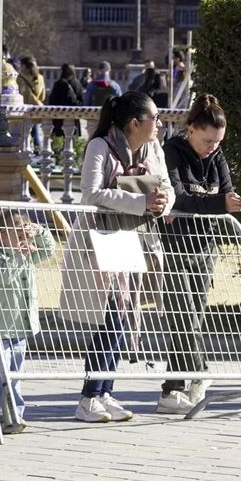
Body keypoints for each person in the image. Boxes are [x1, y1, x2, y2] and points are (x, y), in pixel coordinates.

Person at [73, 91, 174, 422]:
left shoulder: (153, 148)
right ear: (134, 123)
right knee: (110, 315)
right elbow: (91, 192)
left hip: (137, 235)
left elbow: (167, 187)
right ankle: (90, 394)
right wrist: (140, 201)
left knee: (125, 314)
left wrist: (162, 203)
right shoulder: (100, 146)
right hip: (103, 234)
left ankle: (106, 391)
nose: (158, 124)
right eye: (154, 119)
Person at [157, 94, 241, 415]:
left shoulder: (217, 156)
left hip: (205, 244)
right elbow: (179, 196)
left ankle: (178, 386)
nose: (213, 146)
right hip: (174, 244)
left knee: (194, 315)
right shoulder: (171, 151)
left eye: (218, 141)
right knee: (181, 314)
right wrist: (219, 204)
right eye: (208, 139)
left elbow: (225, 189)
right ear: (191, 130)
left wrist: (233, 202)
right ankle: (194, 375)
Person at [0, 212, 56, 433]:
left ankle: (16, 414)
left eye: (23, 233)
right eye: (16, 233)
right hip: (0, 327)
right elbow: (3, 276)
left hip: (21, 325)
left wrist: (39, 231)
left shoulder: (26, 252)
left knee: (15, 374)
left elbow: (49, 248)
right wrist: (19, 255)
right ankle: (0, 416)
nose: (21, 238)